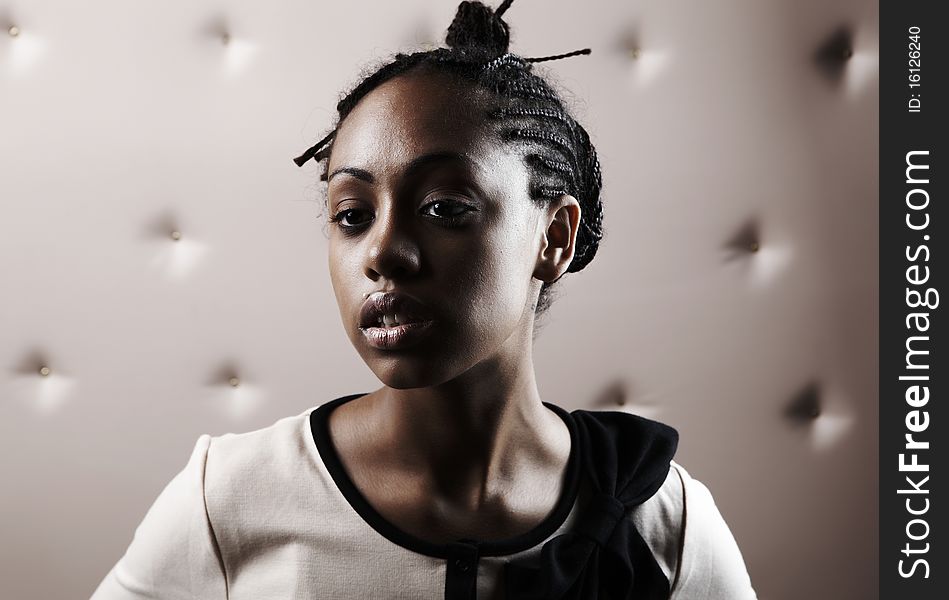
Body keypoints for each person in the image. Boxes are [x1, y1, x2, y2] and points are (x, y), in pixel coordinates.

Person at [90, 1, 757, 598]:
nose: (382, 254)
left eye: (443, 207)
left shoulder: (661, 519)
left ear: (553, 238)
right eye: (352, 214)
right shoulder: (230, 495)